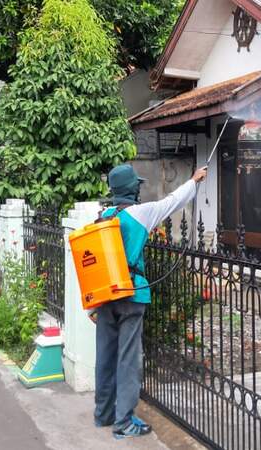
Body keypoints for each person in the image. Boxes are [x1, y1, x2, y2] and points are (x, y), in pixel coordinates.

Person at [92, 163, 207, 439]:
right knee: (128, 358)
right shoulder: (140, 214)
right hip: (132, 296)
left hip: (106, 296)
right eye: (137, 186)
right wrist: (193, 180)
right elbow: (173, 202)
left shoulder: (103, 216)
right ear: (132, 189)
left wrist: (93, 304)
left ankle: (103, 414)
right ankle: (124, 422)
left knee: (105, 356)